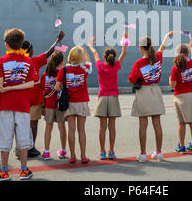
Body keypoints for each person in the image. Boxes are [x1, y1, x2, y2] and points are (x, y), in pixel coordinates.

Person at [0, 28, 35, 180]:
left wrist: (8, 87)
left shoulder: (1, 61)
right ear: (21, 44)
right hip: (22, 105)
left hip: (5, 105)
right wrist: (16, 86)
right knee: (23, 138)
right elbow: (30, 83)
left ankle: (4, 171)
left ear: (6, 44)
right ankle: (24, 170)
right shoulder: (28, 61)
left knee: (4, 137)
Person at [20, 31, 65, 158]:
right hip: (33, 99)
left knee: (22, 124)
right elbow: (50, 52)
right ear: (30, 50)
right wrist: (59, 40)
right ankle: (30, 147)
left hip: (22, 99)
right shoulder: (34, 61)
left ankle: (22, 147)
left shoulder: (20, 63)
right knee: (33, 125)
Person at [128, 33, 171, 162]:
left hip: (144, 92)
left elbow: (131, 79)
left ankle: (142, 154)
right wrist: (167, 35)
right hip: (156, 90)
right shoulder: (157, 57)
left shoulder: (139, 63)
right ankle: (159, 152)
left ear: (141, 48)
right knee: (157, 123)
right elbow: (162, 47)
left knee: (143, 124)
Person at [88, 31, 128, 160]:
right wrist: (125, 40)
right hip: (113, 98)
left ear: (104, 57)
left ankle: (102, 151)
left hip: (102, 97)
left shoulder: (100, 66)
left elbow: (94, 53)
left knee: (102, 127)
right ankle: (111, 150)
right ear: (114, 57)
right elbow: (124, 53)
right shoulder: (116, 66)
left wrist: (90, 44)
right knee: (112, 126)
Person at [55, 46, 92, 164]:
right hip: (82, 102)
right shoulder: (85, 69)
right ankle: (84, 156)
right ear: (81, 58)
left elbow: (56, 87)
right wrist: (86, 53)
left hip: (69, 103)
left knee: (71, 130)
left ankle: (72, 156)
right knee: (82, 130)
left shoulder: (63, 70)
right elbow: (90, 63)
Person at [171, 40, 192, 154]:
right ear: (187, 54)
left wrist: (171, 81)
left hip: (180, 96)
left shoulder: (175, 68)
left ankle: (181, 146)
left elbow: (173, 84)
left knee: (182, 122)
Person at [40, 52, 68, 160]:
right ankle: (63, 150)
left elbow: (43, 92)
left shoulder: (45, 75)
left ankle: (46, 152)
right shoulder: (63, 74)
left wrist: (43, 106)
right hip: (60, 104)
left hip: (49, 105)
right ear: (61, 63)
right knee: (62, 127)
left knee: (48, 127)